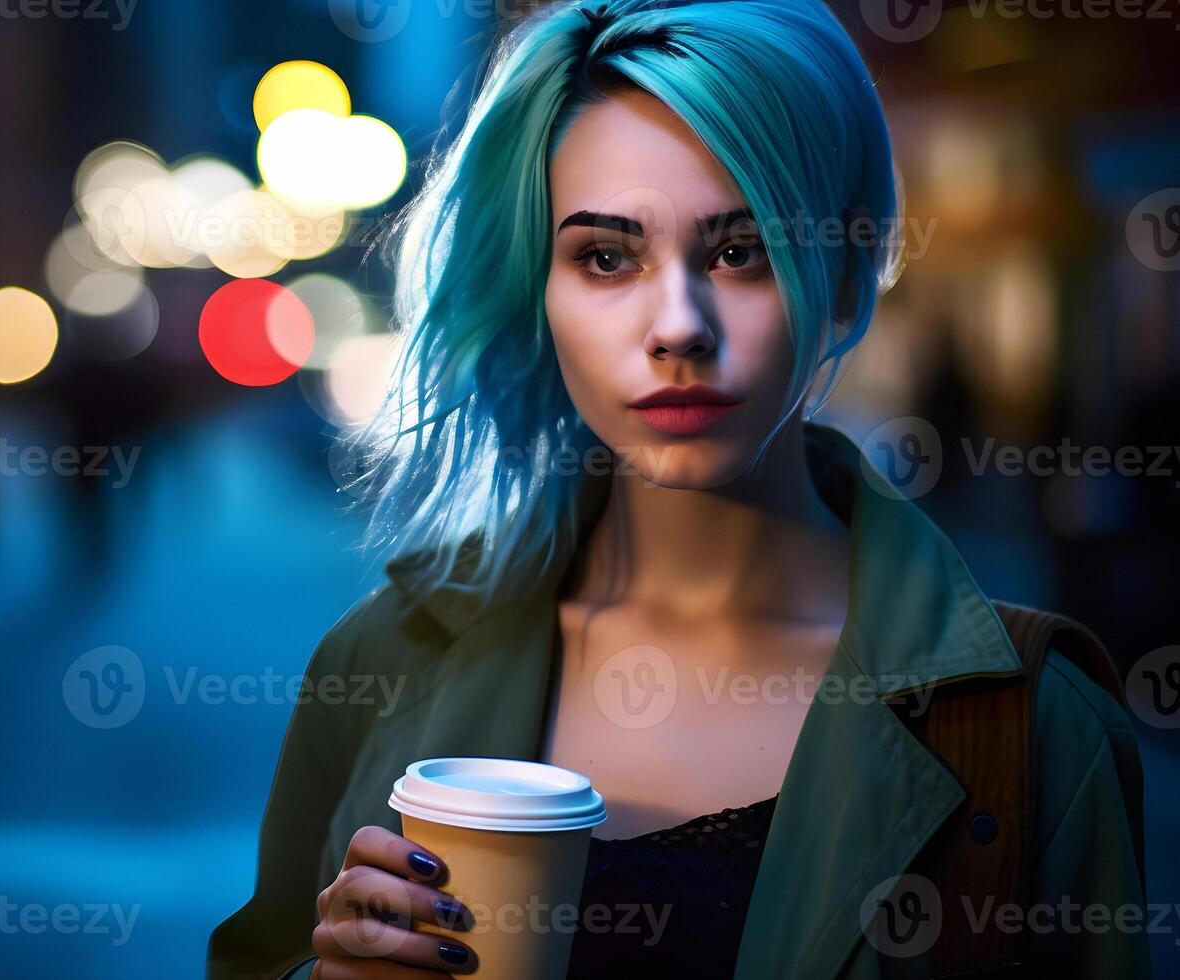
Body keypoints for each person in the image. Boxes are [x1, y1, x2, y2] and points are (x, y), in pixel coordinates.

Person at [207, 1, 1148, 977]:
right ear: (540, 288)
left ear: (838, 274)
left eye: (739, 250)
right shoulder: (381, 661)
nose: (676, 325)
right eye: (605, 257)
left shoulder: (1034, 727)